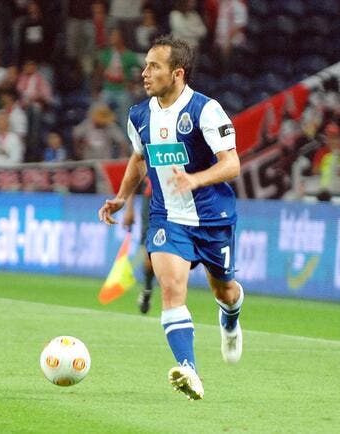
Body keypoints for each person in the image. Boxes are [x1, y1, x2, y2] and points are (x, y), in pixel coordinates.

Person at [98, 35, 244, 401]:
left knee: (223, 290)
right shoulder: (138, 115)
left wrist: (195, 178)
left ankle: (230, 319)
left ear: (177, 73)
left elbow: (232, 164)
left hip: (212, 217)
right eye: (146, 65)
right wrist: (121, 197)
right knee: (171, 288)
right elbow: (138, 158)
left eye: (154, 67)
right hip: (168, 217)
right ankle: (189, 370)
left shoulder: (206, 110)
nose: (144, 73)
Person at [123, 177, 155, 314]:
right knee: (150, 257)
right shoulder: (147, 154)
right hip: (153, 201)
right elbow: (133, 176)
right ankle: (147, 289)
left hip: (182, 200)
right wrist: (129, 209)